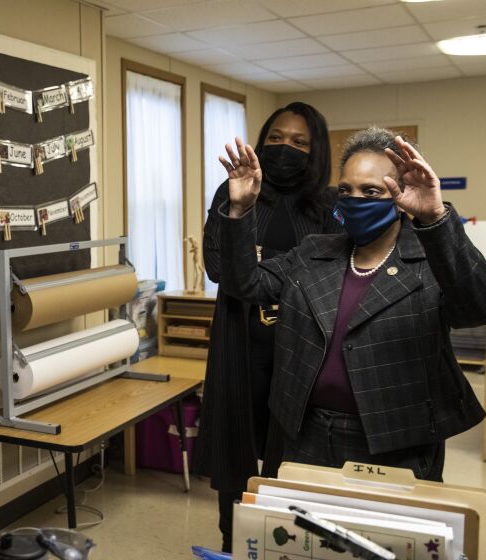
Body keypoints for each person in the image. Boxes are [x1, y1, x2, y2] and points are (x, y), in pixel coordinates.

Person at [217, 127, 486, 484]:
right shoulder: (312, 252)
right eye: (346, 191)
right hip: (302, 431)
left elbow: (482, 308)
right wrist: (241, 210)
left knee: (383, 538)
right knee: (300, 536)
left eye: (371, 191)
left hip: (395, 439)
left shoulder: (432, 259)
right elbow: (243, 283)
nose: (355, 200)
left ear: (400, 194)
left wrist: (435, 218)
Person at [193, 102, 341, 553]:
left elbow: (331, 272)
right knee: (236, 458)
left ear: (315, 151)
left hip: (301, 353)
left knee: (294, 461)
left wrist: (259, 264)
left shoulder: (330, 204)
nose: (284, 148)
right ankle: (236, 542)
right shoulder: (232, 191)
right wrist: (262, 256)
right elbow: (219, 266)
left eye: (299, 142)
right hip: (239, 346)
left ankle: (287, 546)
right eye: (275, 138)